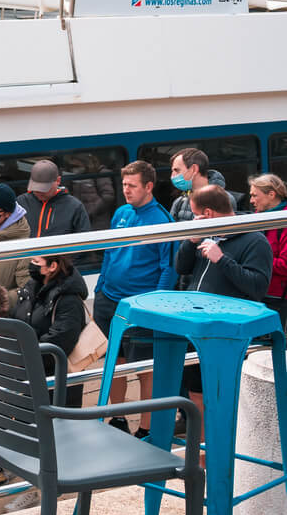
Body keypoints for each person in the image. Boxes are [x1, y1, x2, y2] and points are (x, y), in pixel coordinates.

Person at [175, 184, 271, 421]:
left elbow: (257, 288)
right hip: (196, 326)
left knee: (224, 395)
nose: (195, 219)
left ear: (208, 214)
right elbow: (181, 268)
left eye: (197, 215)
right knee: (196, 391)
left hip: (227, 331)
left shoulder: (255, 241)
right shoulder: (206, 233)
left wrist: (222, 259)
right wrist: (191, 241)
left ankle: (224, 450)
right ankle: (202, 452)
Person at [93, 160, 175, 437]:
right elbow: (109, 252)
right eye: (124, 184)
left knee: (144, 369)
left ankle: (146, 428)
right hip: (110, 300)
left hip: (141, 305)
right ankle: (117, 418)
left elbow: (169, 267)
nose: (126, 190)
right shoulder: (121, 213)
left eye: (132, 185)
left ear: (149, 186)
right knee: (114, 362)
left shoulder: (162, 221)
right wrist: (99, 290)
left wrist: (154, 305)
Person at [13, 254, 88, 408]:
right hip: (31, 375)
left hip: (56, 387)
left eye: (36, 261)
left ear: (52, 266)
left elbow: (59, 342)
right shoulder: (32, 287)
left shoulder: (69, 300)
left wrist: (23, 358)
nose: (31, 265)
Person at [247, 172, 287, 324]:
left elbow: (285, 265)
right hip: (256, 294)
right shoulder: (257, 219)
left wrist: (256, 262)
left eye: (255, 195)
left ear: (271, 194)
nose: (251, 201)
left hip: (277, 297)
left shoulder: (283, 221)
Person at [16, 159, 91, 238]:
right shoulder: (21, 202)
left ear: (58, 181)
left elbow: (85, 241)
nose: (39, 192)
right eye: (35, 187)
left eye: (43, 188)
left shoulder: (74, 207)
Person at [170, 147, 245, 219]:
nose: (172, 176)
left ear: (194, 169)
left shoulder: (224, 199)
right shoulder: (180, 202)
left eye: (177, 170)